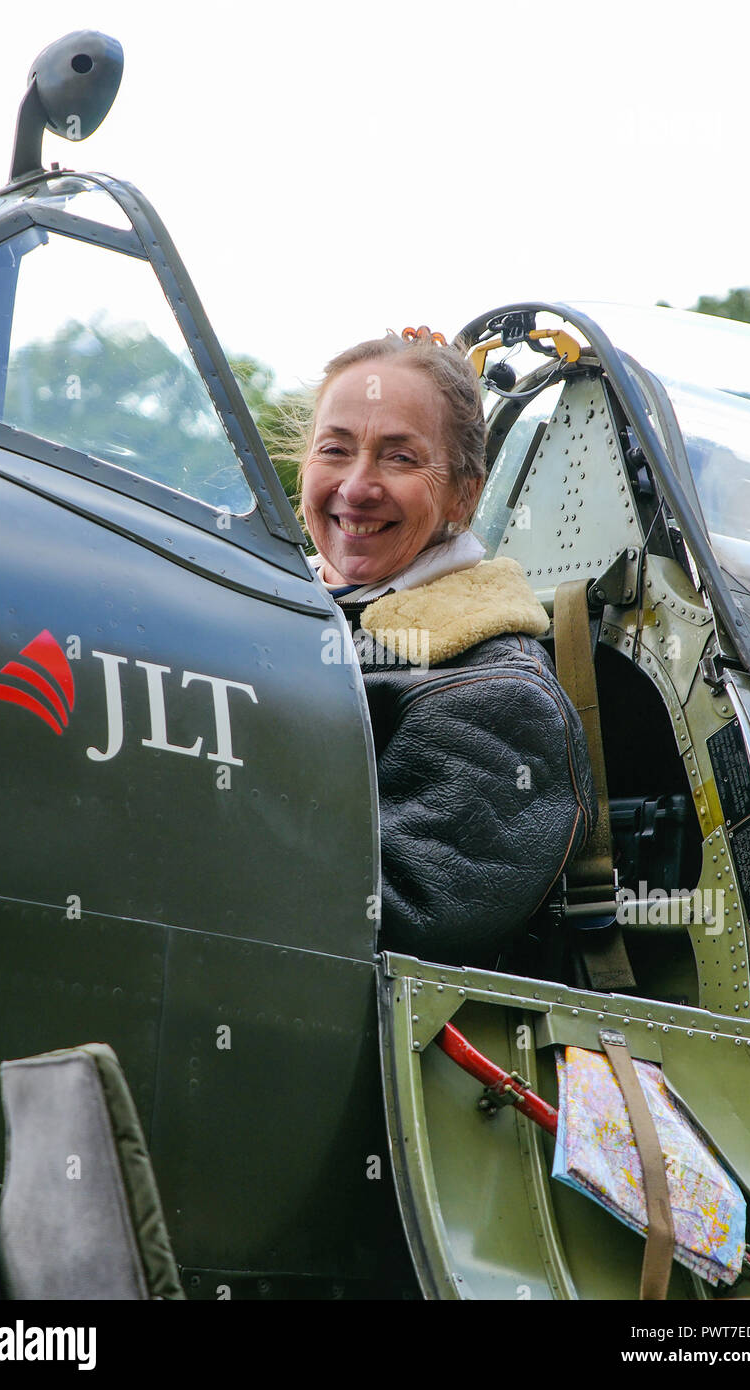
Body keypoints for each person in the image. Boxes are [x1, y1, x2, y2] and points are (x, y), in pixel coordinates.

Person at [299, 326, 596, 967]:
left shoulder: (500, 695)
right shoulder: (260, 615)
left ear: (465, 493)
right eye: (335, 450)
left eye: (400, 458)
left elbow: (405, 918)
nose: (356, 487)